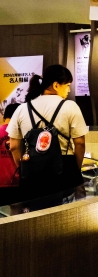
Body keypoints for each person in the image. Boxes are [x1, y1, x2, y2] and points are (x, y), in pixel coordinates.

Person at [7, 65, 87, 201]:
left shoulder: (22, 108)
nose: (69, 90)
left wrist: (24, 168)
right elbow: (80, 143)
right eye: (67, 85)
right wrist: (75, 169)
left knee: (35, 209)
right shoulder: (70, 106)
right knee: (65, 209)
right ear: (56, 85)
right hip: (63, 169)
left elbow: (14, 146)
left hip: (32, 170)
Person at [0, 103, 20, 206]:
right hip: (16, 181)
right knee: (17, 212)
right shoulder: (21, 133)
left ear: (4, 118)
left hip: (1, 182)